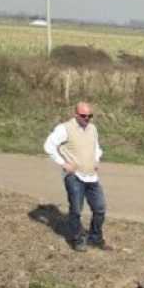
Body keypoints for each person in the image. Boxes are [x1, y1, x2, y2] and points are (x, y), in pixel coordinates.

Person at [43, 102, 110, 252]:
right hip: (74, 176)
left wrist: (96, 159)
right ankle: (77, 239)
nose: (87, 119)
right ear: (76, 115)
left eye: (90, 116)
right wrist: (63, 163)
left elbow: (96, 147)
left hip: (92, 176)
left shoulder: (93, 128)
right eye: (84, 116)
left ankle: (95, 238)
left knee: (100, 208)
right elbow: (49, 145)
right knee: (76, 210)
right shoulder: (64, 128)